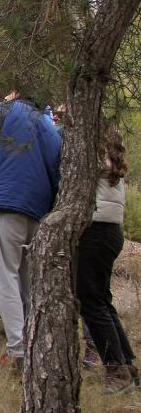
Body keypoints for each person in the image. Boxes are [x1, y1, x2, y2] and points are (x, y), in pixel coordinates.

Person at [0, 89, 61, 368]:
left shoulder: (3, 111)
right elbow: (57, 162)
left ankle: (18, 352)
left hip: (6, 201)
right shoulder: (46, 122)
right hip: (38, 207)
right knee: (25, 278)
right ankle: (34, 343)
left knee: (5, 276)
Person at [77, 127, 137, 393]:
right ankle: (127, 365)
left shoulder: (93, 157)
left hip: (97, 231)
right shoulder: (110, 161)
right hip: (110, 231)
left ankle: (116, 371)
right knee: (101, 301)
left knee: (90, 302)